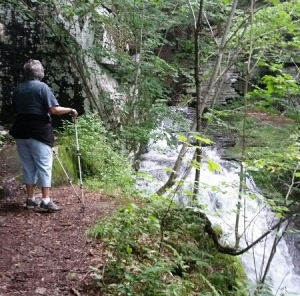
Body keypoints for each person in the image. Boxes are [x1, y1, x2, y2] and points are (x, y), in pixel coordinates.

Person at [9, 59, 78, 212]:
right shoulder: (42, 87)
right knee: (44, 165)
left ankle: (30, 199)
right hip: (39, 131)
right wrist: (70, 110)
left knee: (28, 166)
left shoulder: (18, 89)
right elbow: (54, 110)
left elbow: (15, 110)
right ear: (39, 73)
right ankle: (46, 200)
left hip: (21, 131)